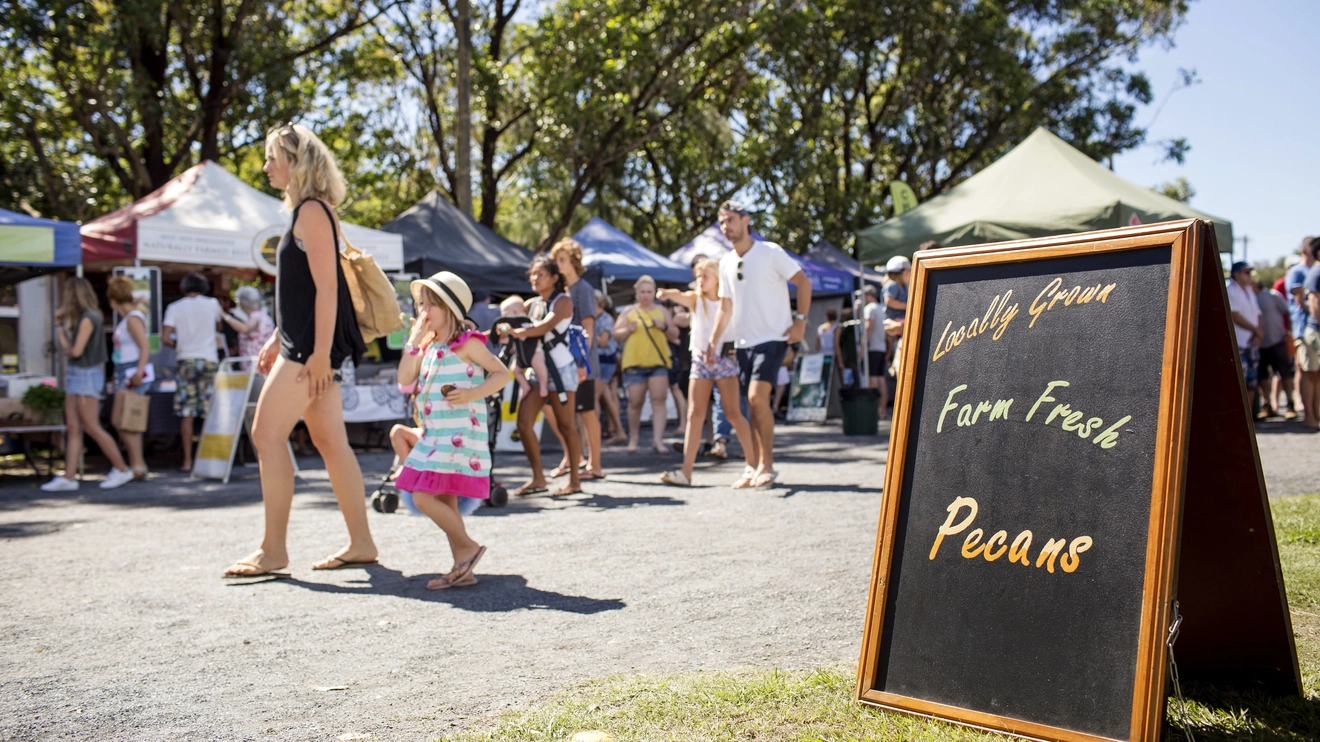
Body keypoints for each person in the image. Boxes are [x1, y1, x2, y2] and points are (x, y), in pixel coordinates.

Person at [223, 123, 376, 578]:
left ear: (295, 161)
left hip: (310, 351)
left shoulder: (312, 210)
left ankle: (273, 551)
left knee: (265, 434)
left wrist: (320, 354)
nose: (267, 166)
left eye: (272, 157)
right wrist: (276, 337)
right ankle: (362, 543)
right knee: (331, 443)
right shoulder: (310, 211)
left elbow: (328, 290)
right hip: (306, 346)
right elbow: (302, 291)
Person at [395, 271, 506, 589]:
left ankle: (468, 548)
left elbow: (501, 374)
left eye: (431, 305)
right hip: (435, 435)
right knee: (445, 499)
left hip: (459, 436)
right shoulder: (427, 345)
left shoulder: (467, 343)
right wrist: (414, 342)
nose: (423, 312)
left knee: (423, 495)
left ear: (450, 309)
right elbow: (405, 379)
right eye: (420, 305)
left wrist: (472, 393)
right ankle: (463, 566)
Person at [707, 200, 812, 488]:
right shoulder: (726, 262)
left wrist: (800, 321)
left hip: (774, 339)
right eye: (722, 221)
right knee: (750, 406)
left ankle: (767, 465)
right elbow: (725, 309)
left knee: (756, 399)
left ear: (745, 220)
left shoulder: (770, 252)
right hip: (743, 344)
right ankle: (752, 466)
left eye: (730, 220)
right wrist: (713, 342)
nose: (726, 226)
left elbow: (804, 283)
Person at [657, 257, 755, 487]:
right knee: (694, 414)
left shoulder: (727, 301)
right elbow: (678, 294)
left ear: (717, 278)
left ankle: (754, 463)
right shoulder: (695, 299)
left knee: (733, 413)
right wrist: (665, 293)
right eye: (698, 276)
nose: (700, 280)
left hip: (723, 359)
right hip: (701, 359)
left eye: (705, 276)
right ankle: (686, 471)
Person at [41, 276, 136, 491]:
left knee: (91, 426)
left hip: (84, 374)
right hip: (78, 373)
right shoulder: (88, 317)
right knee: (74, 427)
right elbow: (71, 349)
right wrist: (59, 326)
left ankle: (121, 469)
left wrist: (62, 331)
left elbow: (75, 351)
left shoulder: (88, 318)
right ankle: (69, 476)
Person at [508, 256, 583, 497]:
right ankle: (538, 478)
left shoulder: (563, 302)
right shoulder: (534, 304)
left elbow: (542, 328)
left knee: (566, 425)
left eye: (540, 274)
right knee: (524, 422)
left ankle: (574, 481)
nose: (535, 278)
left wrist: (516, 331)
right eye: (533, 274)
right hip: (537, 371)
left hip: (561, 370)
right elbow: (515, 321)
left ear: (553, 278)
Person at [543, 239, 604, 481]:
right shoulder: (563, 292)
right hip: (562, 362)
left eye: (562, 260)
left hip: (580, 362)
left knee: (587, 412)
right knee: (562, 411)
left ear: (574, 262)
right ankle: (573, 458)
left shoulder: (583, 289)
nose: (557, 265)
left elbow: (588, 325)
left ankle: (595, 465)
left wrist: (582, 362)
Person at [162, 273, 222, 472]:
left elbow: (165, 337)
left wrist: (180, 345)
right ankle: (209, 459)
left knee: (187, 413)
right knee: (208, 411)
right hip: (208, 359)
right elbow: (219, 327)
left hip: (185, 360)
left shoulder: (174, 307)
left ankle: (187, 460)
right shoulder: (212, 304)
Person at [615, 275, 677, 455]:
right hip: (635, 364)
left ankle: (657, 440)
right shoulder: (628, 311)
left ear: (654, 293)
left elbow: (674, 334)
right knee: (635, 402)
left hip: (658, 363)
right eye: (642, 292)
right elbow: (616, 334)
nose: (646, 295)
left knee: (659, 400)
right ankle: (633, 438)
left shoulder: (662, 311)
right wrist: (628, 329)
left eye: (649, 292)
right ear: (636, 293)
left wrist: (664, 327)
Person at [107, 275, 151, 480]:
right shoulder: (131, 318)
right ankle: (137, 463)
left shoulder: (132, 319)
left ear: (113, 300)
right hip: (126, 372)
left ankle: (137, 464)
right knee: (124, 420)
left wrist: (138, 372)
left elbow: (144, 346)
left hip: (130, 373)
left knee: (124, 420)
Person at [1287, 237, 1320, 428]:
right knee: (1307, 372)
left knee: (1313, 373)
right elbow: (1303, 302)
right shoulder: (1298, 271)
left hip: (1312, 328)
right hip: (1304, 327)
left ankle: (1315, 414)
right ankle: (1308, 414)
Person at [1256, 279, 1296, 420]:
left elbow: (1287, 312)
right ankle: (1267, 406)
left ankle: (1291, 405)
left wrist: (1288, 332)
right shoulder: (1250, 297)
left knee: (1284, 374)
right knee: (1262, 377)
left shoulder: (1273, 295)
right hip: (1259, 345)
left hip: (1277, 341)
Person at [1226, 261, 1263, 416]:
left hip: (1252, 344)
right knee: (1238, 383)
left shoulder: (1250, 290)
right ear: (1237, 274)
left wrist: (1259, 334)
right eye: (1246, 273)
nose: (1249, 276)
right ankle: (1238, 417)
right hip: (1239, 344)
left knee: (1252, 383)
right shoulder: (1229, 289)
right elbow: (1235, 315)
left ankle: (1249, 419)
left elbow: (1258, 313)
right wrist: (1257, 330)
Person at [496, 295, 550, 399]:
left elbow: (524, 335)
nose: (504, 318)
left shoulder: (526, 322)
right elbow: (508, 340)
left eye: (506, 314)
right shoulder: (512, 327)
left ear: (515, 312)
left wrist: (513, 332)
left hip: (535, 352)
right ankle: (525, 386)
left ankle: (543, 386)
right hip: (520, 355)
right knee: (515, 370)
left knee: (539, 367)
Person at [593, 289, 626, 444]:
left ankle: (593, 436)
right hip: (598, 362)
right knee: (606, 398)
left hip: (605, 361)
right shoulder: (594, 318)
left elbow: (603, 342)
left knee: (592, 399)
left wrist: (587, 330)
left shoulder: (604, 319)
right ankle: (619, 431)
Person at [222, 285, 275, 361]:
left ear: (243, 303)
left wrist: (223, 315)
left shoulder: (257, 316)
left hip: (256, 366)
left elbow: (245, 328)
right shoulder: (262, 315)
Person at [862, 285, 888, 419]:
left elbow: (868, 328)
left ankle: (873, 410)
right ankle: (882, 411)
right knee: (881, 380)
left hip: (872, 348)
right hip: (882, 348)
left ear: (868, 295)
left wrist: (862, 346)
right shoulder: (882, 309)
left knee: (873, 381)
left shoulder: (870, 308)